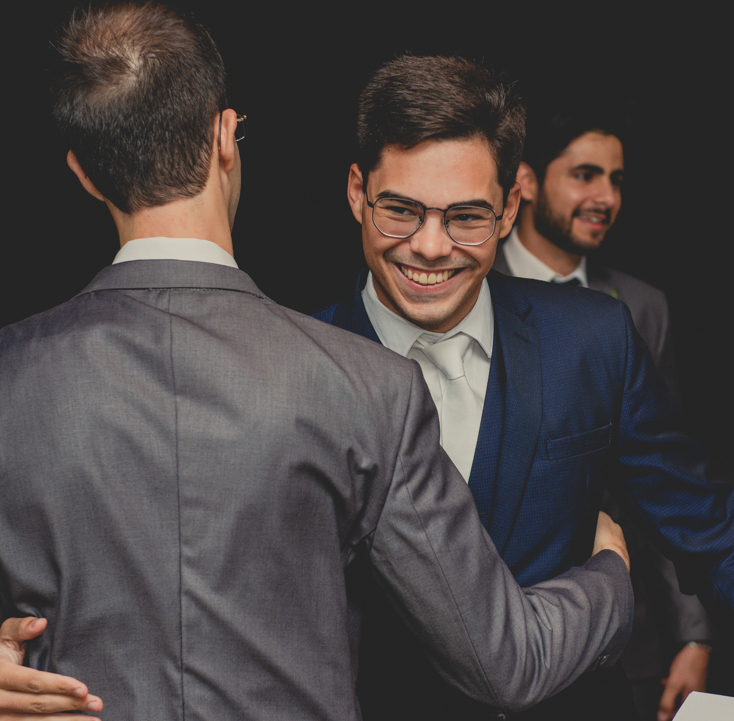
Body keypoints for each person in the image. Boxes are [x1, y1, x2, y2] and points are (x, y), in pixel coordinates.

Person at [0, 5, 635, 719]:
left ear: (84, 174)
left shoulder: (11, 375)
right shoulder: (367, 384)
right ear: (225, 139)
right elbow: (507, 658)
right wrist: (610, 572)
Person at [314, 55, 734, 719]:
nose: (431, 246)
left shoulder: (592, 339)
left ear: (509, 208)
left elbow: (712, 532)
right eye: (401, 210)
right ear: (357, 192)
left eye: (467, 217)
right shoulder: (300, 364)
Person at [495, 104, 713, 720]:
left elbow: (666, 483)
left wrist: (694, 636)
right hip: (488, 625)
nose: (606, 197)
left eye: (616, 180)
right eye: (585, 175)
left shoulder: (642, 307)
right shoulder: (469, 281)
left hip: (619, 639)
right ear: (526, 181)